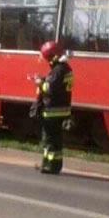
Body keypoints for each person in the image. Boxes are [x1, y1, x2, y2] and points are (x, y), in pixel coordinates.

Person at [32, 41, 73, 175]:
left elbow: (49, 88)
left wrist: (39, 83)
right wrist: (45, 79)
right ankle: (53, 164)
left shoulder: (57, 70)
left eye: (48, 58)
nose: (47, 61)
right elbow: (58, 86)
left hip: (52, 111)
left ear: (53, 57)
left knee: (48, 140)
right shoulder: (67, 69)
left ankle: (49, 166)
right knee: (56, 141)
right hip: (62, 110)